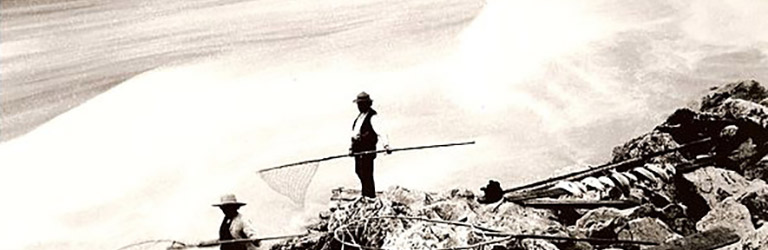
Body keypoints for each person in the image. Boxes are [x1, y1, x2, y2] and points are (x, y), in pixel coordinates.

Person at [349, 92, 390, 199]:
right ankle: (365, 193)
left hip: (367, 150)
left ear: (367, 104)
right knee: (359, 171)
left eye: (361, 104)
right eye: (358, 104)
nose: (359, 106)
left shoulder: (373, 116)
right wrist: (351, 147)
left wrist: (386, 145)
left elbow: (381, 131)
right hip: (358, 150)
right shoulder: (359, 117)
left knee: (366, 173)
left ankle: (369, 196)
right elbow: (355, 133)